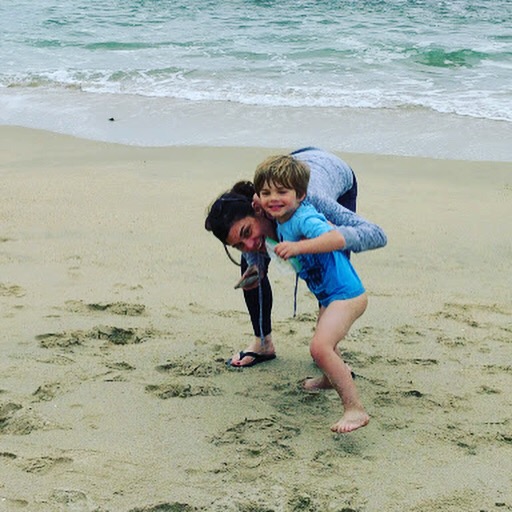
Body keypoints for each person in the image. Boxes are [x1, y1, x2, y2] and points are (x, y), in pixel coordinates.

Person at [204, 147, 386, 369]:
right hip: (295, 163)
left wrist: (330, 237)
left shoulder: (307, 203)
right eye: (238, 245)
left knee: (327, 263)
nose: (249, 245)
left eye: (247, 232)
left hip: (333, 170)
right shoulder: (260, 209)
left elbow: (376, 234)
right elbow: (249, 243)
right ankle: (263, 343)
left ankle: (328, 347)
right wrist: (255, 266)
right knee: (250, 260)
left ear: (257, 210)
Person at [253, 154, 369, 433]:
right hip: (329, 296)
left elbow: (331, 236)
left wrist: (298, 247)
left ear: (301, 195)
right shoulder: (283, 218)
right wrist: (260, 201)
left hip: (346, 295)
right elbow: (267, 206)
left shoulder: (305, 217)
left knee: (320, 347)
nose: (274, 199)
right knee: (325, 343)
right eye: (266, 193)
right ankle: (329, 379)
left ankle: (355, 409)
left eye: (282, 192)